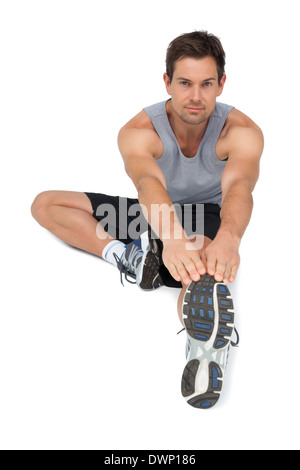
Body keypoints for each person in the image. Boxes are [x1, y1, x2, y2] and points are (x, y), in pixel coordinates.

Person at [31, 31, 264, 409]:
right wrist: (169, 236)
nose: (195, 96)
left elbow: (240, 185)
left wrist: (230, 236)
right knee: (46, 204)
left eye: (206, 84)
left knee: (201, 264)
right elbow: (147, 182)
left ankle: (203, 348)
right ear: (167, 82)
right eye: (185, 83)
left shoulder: (241, 132)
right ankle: (130, 258)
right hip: (156, 212)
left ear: (221, 84)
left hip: (204, 214)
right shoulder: (139, 130)